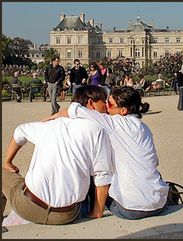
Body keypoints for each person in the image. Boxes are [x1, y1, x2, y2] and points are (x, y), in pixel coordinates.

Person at [47, 86, 170, 220]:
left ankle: (93, 212)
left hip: (131, 209)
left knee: (96, 172)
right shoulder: (145, 128)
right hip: (159, 203)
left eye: (110, 104)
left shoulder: (114, 123)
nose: (106, 107)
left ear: (123, 110)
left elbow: (74, 109)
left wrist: (53, 117)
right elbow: (154, 161)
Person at [2, 88, 114, 225]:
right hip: (65, 215)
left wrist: (8, 161)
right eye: (104, 101)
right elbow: (102, 175)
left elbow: (20, 131)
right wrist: (97, 212)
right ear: (91, 103)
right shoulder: (98, 130)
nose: (107, 106)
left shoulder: (50, 126)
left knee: (4, 173)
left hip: (29, 207)